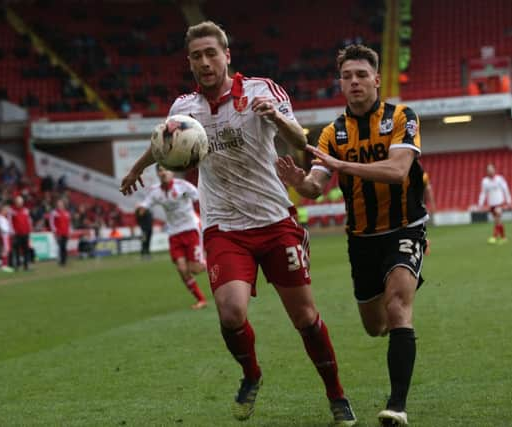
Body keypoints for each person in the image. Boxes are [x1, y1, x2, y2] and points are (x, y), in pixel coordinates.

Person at [119, 21, 357, 426]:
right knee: (230, 312)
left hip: (274, 219)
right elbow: (164, 142)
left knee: (305, 318)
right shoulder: (183, 109)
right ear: (190, 62)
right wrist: (136, 170)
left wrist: (275, 119)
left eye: (211, 53)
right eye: (196, 56)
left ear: (227, 55)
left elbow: (301, 141)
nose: (205, 62)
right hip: (223, 227)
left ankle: (336, 393)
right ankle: (251, 374)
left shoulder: (263, 90)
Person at [277, 44, 427, 427]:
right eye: (347, 76)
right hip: (361, 238)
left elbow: (397, 171)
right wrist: (300, 183)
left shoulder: (401, 117)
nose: (355, 81)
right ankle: (397, 294)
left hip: (404, 227)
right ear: (340, 83)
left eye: (361, 74)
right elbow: (316, 185)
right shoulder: (332, 133)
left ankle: (397, 406)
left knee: (397, 310)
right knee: (375, 325)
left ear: (376, 79)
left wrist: (342, 164)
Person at [138, 165, 208, 310]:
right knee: (182, 269)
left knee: (196, 269)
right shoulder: (155, 191)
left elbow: (200, 197)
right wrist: (140, 210)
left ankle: (214, 259)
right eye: (160, 171)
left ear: (172, 172)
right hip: (174, 233)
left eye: (165, 170)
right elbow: (145, 205)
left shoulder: (183, 186)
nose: (163, 173)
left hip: (190, 229)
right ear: (157, 173)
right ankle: (201, 299)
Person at [477, 164, 512, 244]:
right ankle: (503, 237)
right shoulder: (485, 181)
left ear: (495, 170)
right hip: (492, 204)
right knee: (497, 221)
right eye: (489, 170)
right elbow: (483, 193)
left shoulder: (500, 179)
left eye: (491, 169)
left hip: (500, 202)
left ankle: (495, 236)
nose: (490, 171)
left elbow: (506, 190)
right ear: (487, 172)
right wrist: (480, 204)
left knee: (498, 219)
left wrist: (509, 201)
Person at [10, 195, 32, 271]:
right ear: (15, 203)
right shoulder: (12, 211)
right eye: (18, 202)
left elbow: (28, 221)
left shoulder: (26, 210)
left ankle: (26, 266)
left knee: (26, 250)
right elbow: (10, 222)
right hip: (16, 234)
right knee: (16, 250)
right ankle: (17, 266)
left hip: (25, 233)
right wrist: (12, 232)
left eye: (21, 202)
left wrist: (29, 230)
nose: (19, 203)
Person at [49, 199, 71, 266]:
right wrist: (54, 231)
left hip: (65, 232)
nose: (60, 205)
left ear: (63, 205)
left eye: (61, 204)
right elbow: (51, 223)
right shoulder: (54, 213)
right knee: (61, 246)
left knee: (64, 247)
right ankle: (61, 261)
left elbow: (68, 223)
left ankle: (64, 261)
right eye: (59, 204)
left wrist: (69, 231)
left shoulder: (67, 213)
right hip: (59, 233)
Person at [0, 204, 14, 273]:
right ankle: (4, 266)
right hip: (3, 235)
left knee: (6, 250)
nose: (6, 212)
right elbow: (3, 228)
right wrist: (8, 231)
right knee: (5, 250)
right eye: (5, 210)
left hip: (6, 235)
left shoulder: (3, 217)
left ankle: (5, 265)